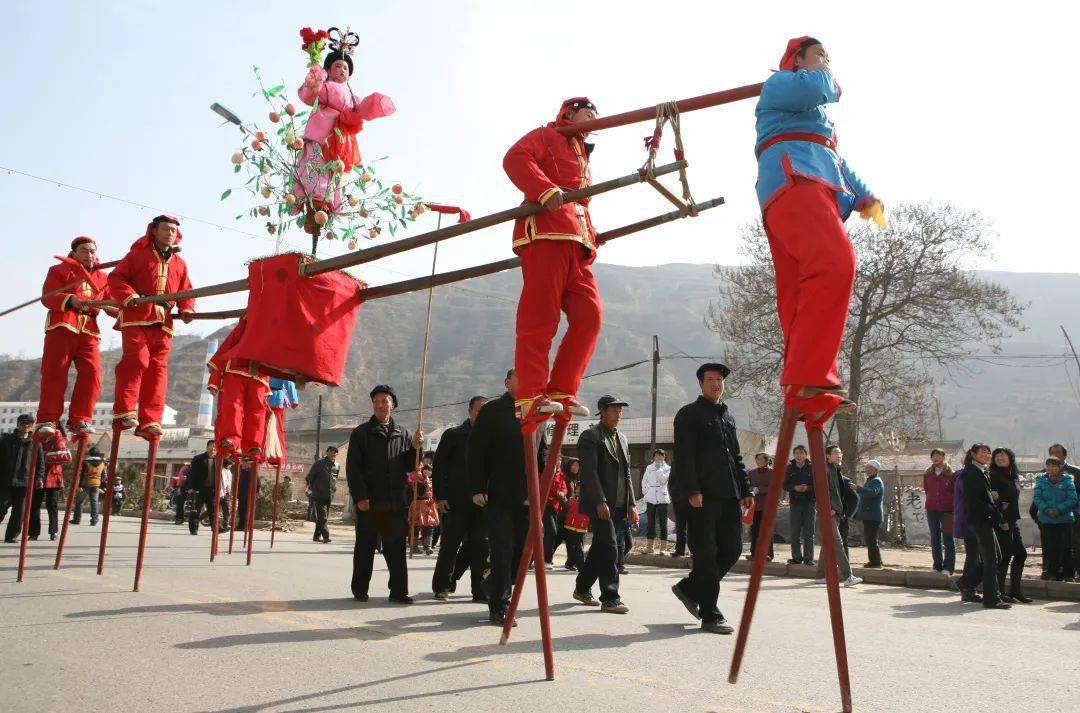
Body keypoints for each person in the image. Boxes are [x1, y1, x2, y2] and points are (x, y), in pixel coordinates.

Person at [755, 37, 880, 424]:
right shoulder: (781, 84)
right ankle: (810, 375)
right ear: (798, 60)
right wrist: (825, 74)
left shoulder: (813, 118)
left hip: (807, 180)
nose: (827, 63)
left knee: (797, 289)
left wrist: (864, 195)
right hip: (795, 179)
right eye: (820, 56)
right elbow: (819, 86)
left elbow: (833, 156)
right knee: (835, 263)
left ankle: (804, 387)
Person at [504, 97, 601, 423]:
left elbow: (581, 204)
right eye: (588, 114)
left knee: (590, 316)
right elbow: (515, 158)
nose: (593, 121)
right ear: (569, 113)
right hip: (547, 234)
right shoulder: (547, 136)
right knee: (540, 317)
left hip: (579, 243)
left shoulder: (581, 155)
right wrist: (544, 189)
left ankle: (561, 389)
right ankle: (531, 393)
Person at [669, 364, 753, 634]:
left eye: (719, 380)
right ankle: (710, 614)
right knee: (706, 555)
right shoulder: (689, 415)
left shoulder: (727, 416)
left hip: (729, 496)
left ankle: (690, 588)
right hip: (702, 498)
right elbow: (684, 457)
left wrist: (746, 489)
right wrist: (692, 491)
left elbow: (736, 458)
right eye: (710, 380)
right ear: (700, 384)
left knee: (732, 550)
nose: (716, 384)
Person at [469, 370, 548, 626]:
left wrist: (546, 478)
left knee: (523, 553)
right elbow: (477, 450)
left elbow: (541, 452)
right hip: (498, 494)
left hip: (528, 496)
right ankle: (500, 607)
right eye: (519, 376)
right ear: (507, 382)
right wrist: (477, 487)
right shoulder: (492, 411)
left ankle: (493, 584)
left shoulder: (538, 412)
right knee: (502, 550)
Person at [294, 32, 395, 226]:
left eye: (346, 67)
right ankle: (313, 205)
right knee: (315, 167)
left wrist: (374, 104)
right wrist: (315, 67)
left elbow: (361, 110)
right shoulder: (326, 86)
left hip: (341, 142)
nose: (342, 70)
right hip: (321, 134)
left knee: (334, 175)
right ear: (329, 70)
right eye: (338, 66)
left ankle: (326, 207)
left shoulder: (352, 97)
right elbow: (309, 92)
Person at [109, 215, 195, 438]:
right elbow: (116, 278)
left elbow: (187, 290)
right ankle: (125, 411)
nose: (170, 233)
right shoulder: (137, 255)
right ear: (154, 231)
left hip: (163, 322)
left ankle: (150, 421)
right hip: (137, 317)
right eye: (166, 229)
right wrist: (130, 296)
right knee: (136, 360)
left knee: (158, 371)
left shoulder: (180, 263)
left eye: (174, 231)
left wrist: (187, 308)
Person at [347, 385, 422, 603]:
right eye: (376, 401)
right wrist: (360, 497)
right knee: (365, 546)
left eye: (385, 401)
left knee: (396, 548)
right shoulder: (361, 433)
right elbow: (353, 468)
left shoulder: (404, 433)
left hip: (395, 502)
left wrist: (416, 448)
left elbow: (410, 465)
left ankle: (398, 592)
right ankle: (360, 589)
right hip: (370, 501)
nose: (380, 405)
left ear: (393, 404)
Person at [34, 236, 113, 438]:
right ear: (74, 253)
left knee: (93, 373)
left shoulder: (102, 277)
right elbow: (48, 296)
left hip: (89, 330)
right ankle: (47, 419)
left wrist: (128, 306)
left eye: (93, 251)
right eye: (85, 251)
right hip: (63, 324)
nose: (90, 254)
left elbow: (111, 303)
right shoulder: (59, 270)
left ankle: (80, 419)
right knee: (55, 373)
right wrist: (70, 299)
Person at [572, 395, 637, 614]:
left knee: (601, 547)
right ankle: (610, 597)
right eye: (614, 409)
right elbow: (589, 473)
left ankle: (582, 588)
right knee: (610, 547)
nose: (619, 413)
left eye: (620, 409)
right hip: (599, 504)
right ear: (602, 411)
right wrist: (600, 500)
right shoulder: (591, 436)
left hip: (619, 504)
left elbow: (626, 473)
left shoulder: (622, 438)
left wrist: (631, 503)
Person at [432, 396, 489, 601]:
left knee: (480, 547)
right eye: (478, 410)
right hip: (456, 501)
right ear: (470, 411)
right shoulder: (454, 435)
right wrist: (441, 496)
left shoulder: (491, 439)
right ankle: (442, 586)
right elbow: (439, 468)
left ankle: (480, 589)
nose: (481, 414)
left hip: (483, 503)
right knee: (449, 545)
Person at [207, 317, 270, 460]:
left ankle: (253, 444)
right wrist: (215, 369)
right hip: (237, 368)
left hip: (261, 372)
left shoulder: (277, 321)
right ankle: (232, 439)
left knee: (257, 409)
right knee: (233, 406)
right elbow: (232, 339)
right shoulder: (249, 317)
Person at [958, 443, 1010, 609]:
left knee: (996, 557)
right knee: (991, 559)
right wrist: (996, 512)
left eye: (988, 452)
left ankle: (966, 582)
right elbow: (977, 501)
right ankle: (991, 598)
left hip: (985, 519)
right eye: (983, 452)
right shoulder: (971, 473)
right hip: (980, 519)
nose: (987, 455)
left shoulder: (981, 471)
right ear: (973, 454)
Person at [813, 446, 861, 586]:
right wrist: (829, 508)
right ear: (827, 456)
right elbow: (822, 491)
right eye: (835, 453)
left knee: (828, 544)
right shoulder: (826, 469)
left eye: (840, 452)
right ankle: (847, 576)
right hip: (828, 512)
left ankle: (821, 575)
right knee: (838, 544)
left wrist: (840, 510)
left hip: (836, 512)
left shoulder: (835, 470)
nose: (839, 455)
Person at [989, 448, 1032, 602]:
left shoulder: (1013, 475)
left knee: (1020, 554)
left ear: (1010, 457)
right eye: (997, 456)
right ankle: (1000, 592)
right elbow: (992, 501)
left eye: (1003, 455)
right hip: (1001, 522)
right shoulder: (993, 476)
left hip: (1012, 520)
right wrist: (1002, 520)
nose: (1000, 458)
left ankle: (1015, 591)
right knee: (1005, 556)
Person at [1, 415, 46, 543]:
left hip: (24, 482)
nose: (26, 426)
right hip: (5, 481)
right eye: (23, 423)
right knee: (1, 507)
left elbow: (40, 464)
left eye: (29, 424)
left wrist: (39, 477)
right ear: (18, 425)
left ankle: (12, 536)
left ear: (31, 426)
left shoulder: (36, 443)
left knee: (19, 512)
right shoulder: (6, 440)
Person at [1034, 457, 1078, 582]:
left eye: (1054, 466)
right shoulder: (1040, 480)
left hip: (1065, 520)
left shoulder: (1068, 480)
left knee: (1066, 548)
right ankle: (1053, 574)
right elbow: (1037, 498)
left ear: (1060, 468)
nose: (1051, 469)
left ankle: (1069, 574)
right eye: (1049, 466)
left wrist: (1059, 509)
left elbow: (1072, 499)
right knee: (1051, 548)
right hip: (1046, 520)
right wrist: (1047, 510)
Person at [1047, 444, 1080, 580]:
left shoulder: (1075, 472)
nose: (1055, 455)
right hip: (1050, 516)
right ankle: (1052, 572)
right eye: (1052, 453)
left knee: (1073, 545)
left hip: (1072, 514)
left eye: (1058, 452)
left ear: (1064, 455)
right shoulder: (1045, 473)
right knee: (1052, 546)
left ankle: (1073, 573)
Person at [922, 448, 956, 575]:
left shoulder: (951, 474)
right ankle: (937, 566)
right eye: (933, 456)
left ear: (943, 456)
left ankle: (948, 567)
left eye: (938, 455)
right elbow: (927, 490)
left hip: (948, 510)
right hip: (932, 509)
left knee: (948, 538)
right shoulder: (928, 474)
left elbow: (955, 492)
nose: (935, 458)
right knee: (935, 537)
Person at [783, 445, 815, 566]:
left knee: (809, 532)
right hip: (795, 503)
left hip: (809, 503)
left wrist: (808, 488)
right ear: (794, 455)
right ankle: (796, 557)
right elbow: (784, 485)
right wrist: (794, 487)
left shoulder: (812, 468)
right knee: (795, 532)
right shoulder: (789, 468)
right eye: (796, 453)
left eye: (801, 453)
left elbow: (818, 485)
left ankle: (809, 558)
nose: (799, 455)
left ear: (806, 454)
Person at [306, 446, 339, 544]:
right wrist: (309, 488)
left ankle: (316, 536)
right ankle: (326, 536)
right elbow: (310, 476)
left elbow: (334, 479)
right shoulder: (319, 463)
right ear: (327, 452)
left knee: (323, 516)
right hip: (318, 494)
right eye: (331, 451)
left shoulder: (337, 465)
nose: (333, 453)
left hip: (329, 495)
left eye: (335, 452)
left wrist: (334, 489)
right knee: (323, 516)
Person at [855, 460, 885, 568]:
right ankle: (876, 560)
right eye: (866, 468)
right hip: (869, 514)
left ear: (875, 469)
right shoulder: (871, 480)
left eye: (869, 468)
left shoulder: (876, 481)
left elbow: (871, 493)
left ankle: (875, 562)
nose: (867, 470)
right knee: (870, 538)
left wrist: (858, 488)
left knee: (871, 538)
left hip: (873, 515)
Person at [642, 448, 672, 554]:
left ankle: (663, 548)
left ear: (664, 457)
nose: (658, 458)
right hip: (650, 498)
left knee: (663, 523)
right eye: (656, 456)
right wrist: (645, 491)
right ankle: (650, 547)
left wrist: (659, 469)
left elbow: (664, 481)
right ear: (653, 457)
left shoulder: (668, 468)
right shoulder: (649, 467)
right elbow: (644, 480)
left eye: (660, 456)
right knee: (651, 523)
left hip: (662, 498)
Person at [745, 453, 775, 561]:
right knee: (754, 530)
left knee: (767, 530)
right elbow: (747, 486)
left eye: (761, 459)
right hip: (754, 506)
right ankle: (754, 553)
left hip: (768, 505)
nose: (759, 461)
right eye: (757, 459)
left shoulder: (772, 472)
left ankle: (768, 554)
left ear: (767, 460)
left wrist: (759, 489)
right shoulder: (752, 473)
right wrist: (751, 490)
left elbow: (774, 487)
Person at [183, 441, 217, 535]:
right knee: (196, 510)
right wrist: (191, 487)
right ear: (207, 447)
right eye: (211, 447)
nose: (213, 449)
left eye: (215, 447)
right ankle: (193, 529)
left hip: (212, 490)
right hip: (199, 489)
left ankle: (215, 529)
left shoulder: (218, 460)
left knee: (213, 511)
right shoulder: (198, 459)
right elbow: (192, 474)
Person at [543, 461, 569, 568]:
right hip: (545, 505)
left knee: (549, 533)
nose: (557, 462)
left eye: (559, 460)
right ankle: (546, 560)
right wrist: (558, 491)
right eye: (556, 459)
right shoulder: (546, 472)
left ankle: (543, 559)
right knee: (551, 532)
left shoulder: (560, 474)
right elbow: (547, 486)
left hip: (555, 507)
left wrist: (563, 492)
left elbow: (564, 487)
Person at [71, 448, 106, 526]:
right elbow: (104, 476)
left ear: (90, 453)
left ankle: (77, 519)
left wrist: (80, 486)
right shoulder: (102, 463)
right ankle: (94, 520)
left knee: (79, 502)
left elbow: (83, 475)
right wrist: (101, 485)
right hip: (96, 484)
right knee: (94, 502)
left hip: (85, 484)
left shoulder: (86, 462)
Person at [561, 480, 590, 571]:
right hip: (571, 526)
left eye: (581, 489)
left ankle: (570, 563)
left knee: (578, 545)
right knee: (577, 546)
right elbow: (566, 506)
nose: (579, 491)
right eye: (577, 489)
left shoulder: (589, 500)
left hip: (582, 526)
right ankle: (581, 565)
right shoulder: (572, 499)